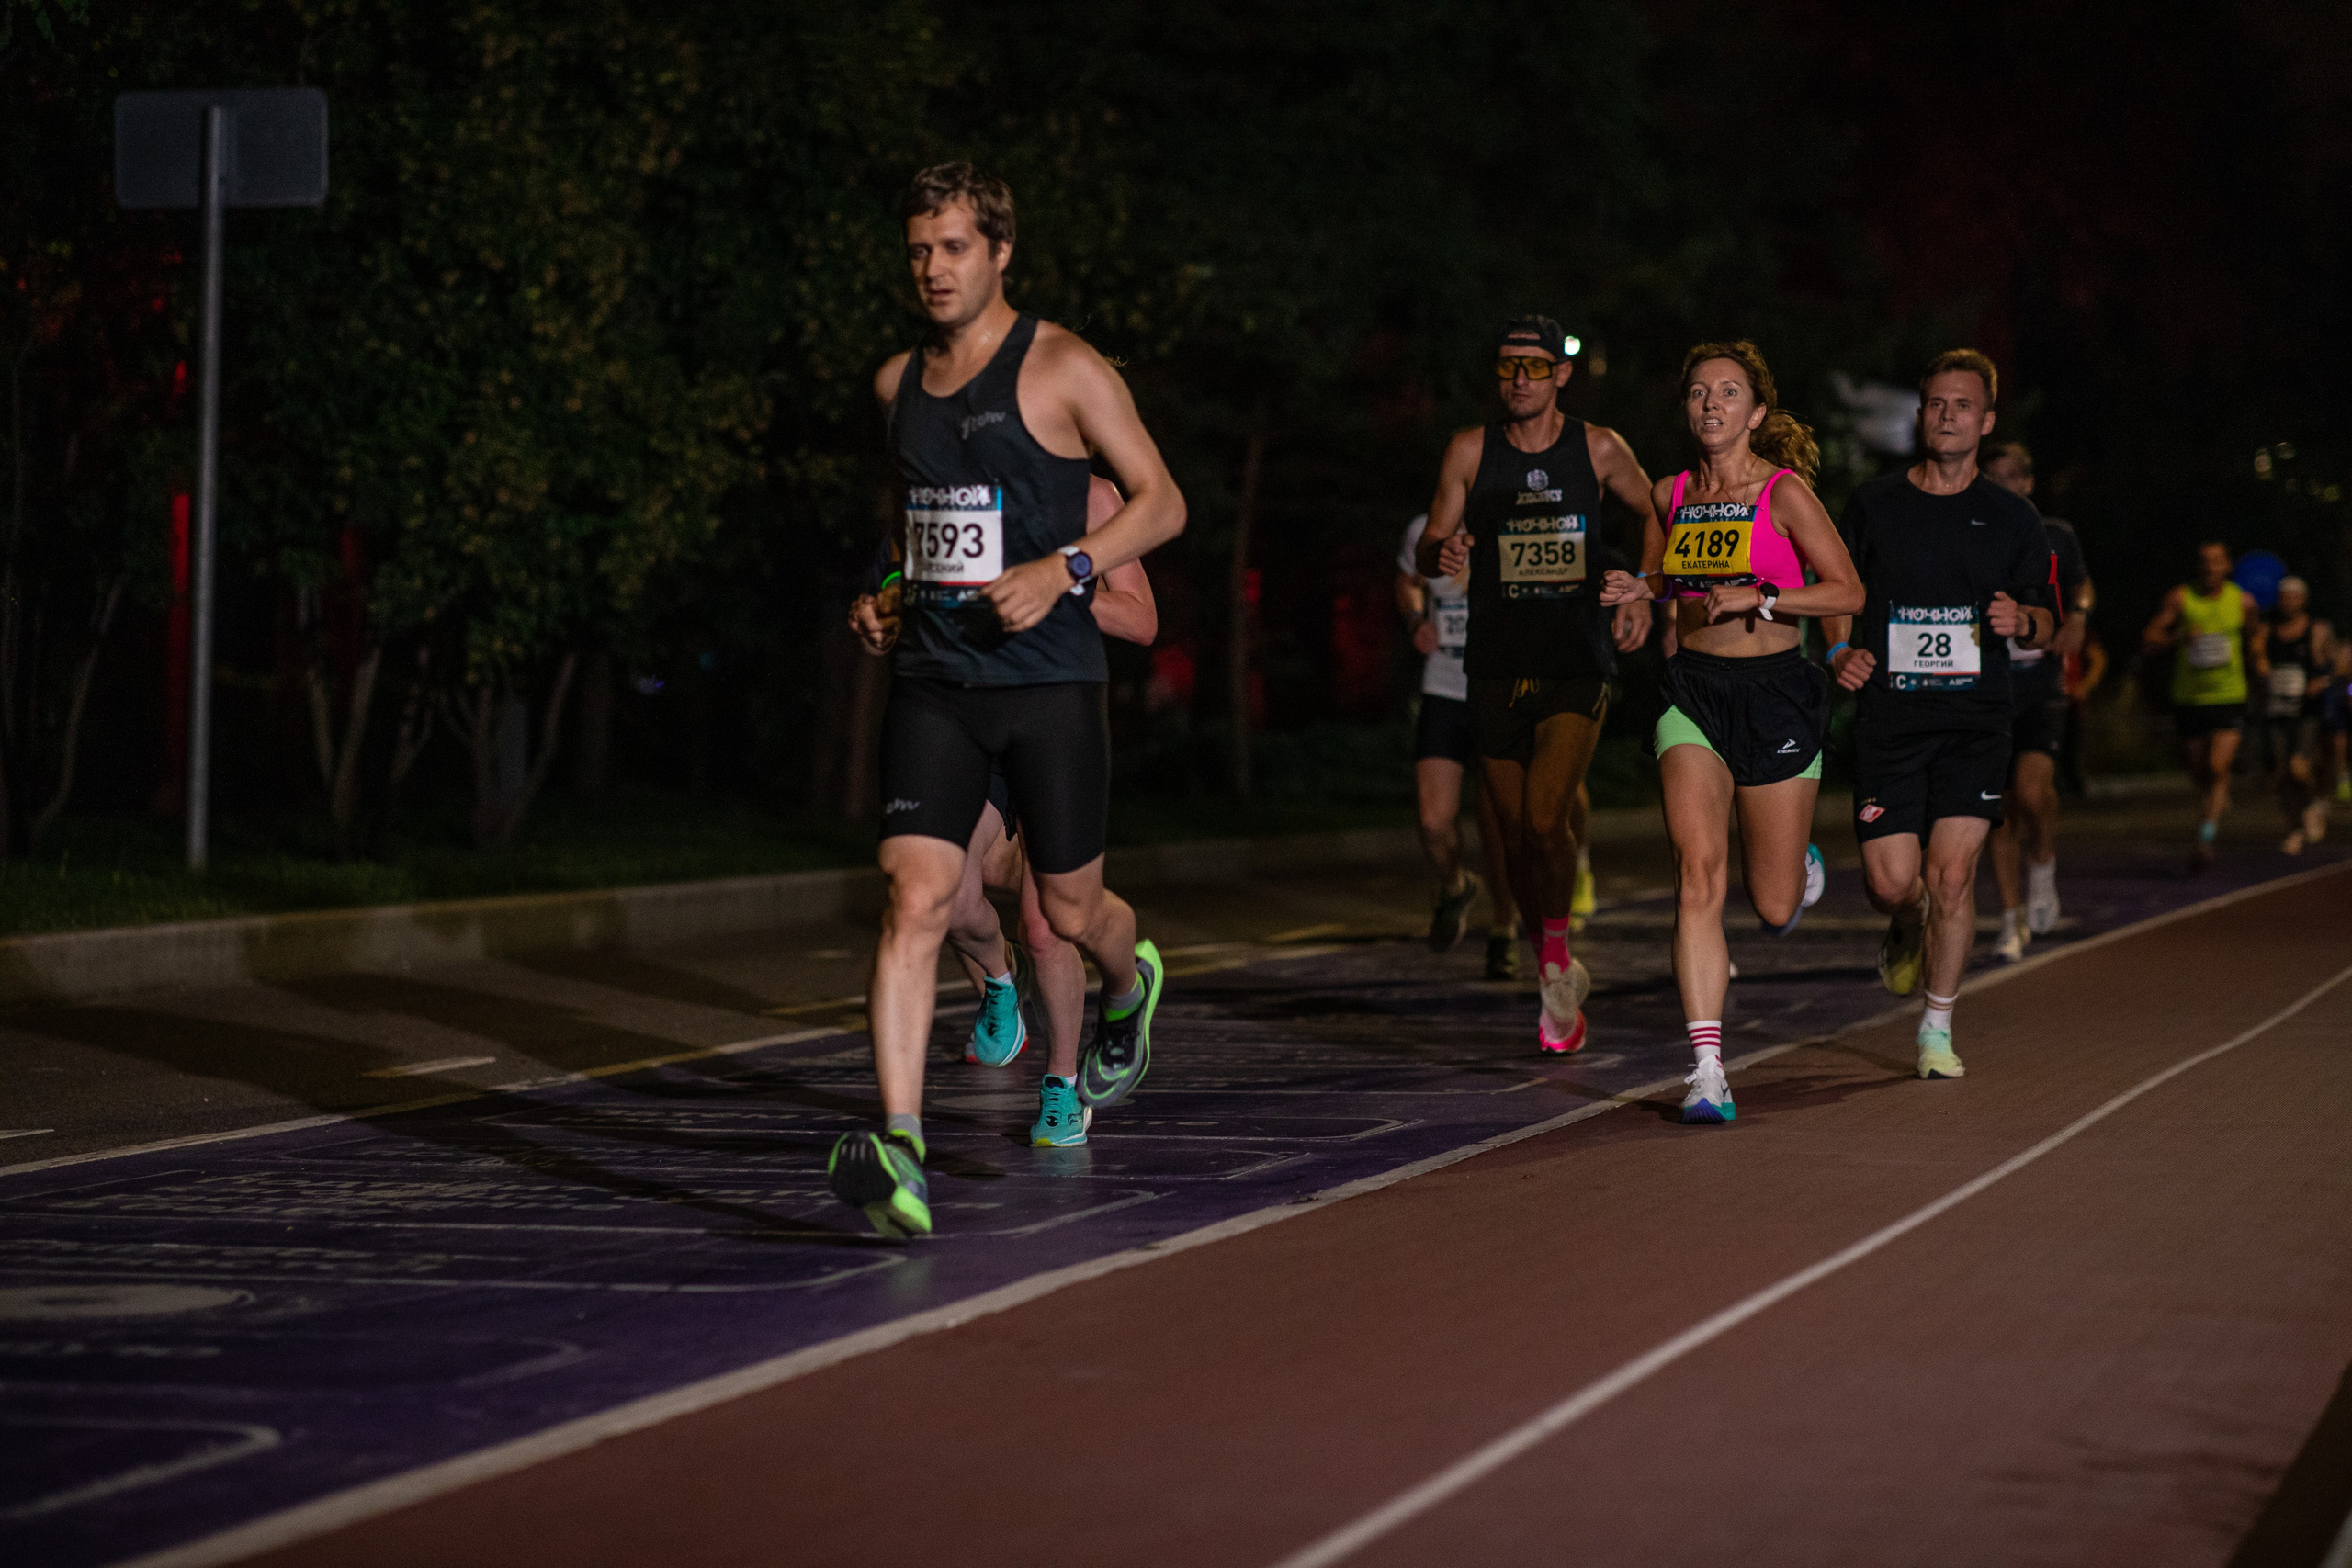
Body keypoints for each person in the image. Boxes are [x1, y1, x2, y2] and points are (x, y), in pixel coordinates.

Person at [831, 162, 1186, 1240]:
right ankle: (900, 1149)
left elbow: (1163, 503)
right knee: (914, 899)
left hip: (1049, 687)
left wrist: (1066, 569)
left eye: (952, 248)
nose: (932, 269)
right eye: (917, 251)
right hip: (937, 687)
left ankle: (1129, 984)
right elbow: (920, 526)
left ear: (999, 252)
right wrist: (882, 600)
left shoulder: (1065, 367)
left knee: (1070, 916)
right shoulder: (896, 385)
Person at [853, 473, 1159, 1147]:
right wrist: (877, 617)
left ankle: (1065, 1081)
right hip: (965, 717)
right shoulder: (947, 486)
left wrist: (1055, 584)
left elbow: (1141, 620)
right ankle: (1000, 982)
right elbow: (892, 594)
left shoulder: (1092, 497)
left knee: (1050, 924)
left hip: (1056, 712)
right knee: (947, 897)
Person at [1600, 342, 1862, 1124]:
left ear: (1756, 413)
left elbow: (1847, 588)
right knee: (1698, 873)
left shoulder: (1784, 493)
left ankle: (1797, 862)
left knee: (1773, 906)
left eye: (1728, 392)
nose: (1711, 403)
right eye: (1698, 392)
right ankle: (1707, 1070)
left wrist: (1766, 598)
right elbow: (1662, 577)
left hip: (1776, 693)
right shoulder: (1670, 492)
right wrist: (1637, 590)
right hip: (1694, 695)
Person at [1417, 316, 1657, 1054]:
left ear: (1561, 375)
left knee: (1547, 820)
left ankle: (1553, 957)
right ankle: (1551, 955)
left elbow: (1658, 510)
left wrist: (1644, 588)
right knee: (1517, 837)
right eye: (1507, 367)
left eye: (1534, 367)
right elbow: (1429, 545)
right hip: (1493, 663)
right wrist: (1442, 551)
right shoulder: (1469, 449)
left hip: (1575, 659)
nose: (1519, 379)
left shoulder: (1599, 448)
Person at [1819, 349, 2059, 1080]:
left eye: (1963, 406)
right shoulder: (1875, 504)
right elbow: (1835, 590)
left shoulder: (2013, 516)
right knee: (1893, 882)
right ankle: (1906, 918)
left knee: (1952, 877)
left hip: (1975, 722)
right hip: (1891, 720)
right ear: (1921, 414)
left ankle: (1935, 1028)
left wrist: (2024, 620)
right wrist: (1838, 650)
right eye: (1936, 403)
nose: (1947, 416)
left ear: (1986, 421)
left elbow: (2047, 620)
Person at [1396, 513, 1523, 976]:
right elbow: (1408, 581)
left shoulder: (1514, 523)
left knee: (1498, 824)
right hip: (1444, 688)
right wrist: (1416, 619)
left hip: (1500, 692)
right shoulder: (1424, 530)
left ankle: (1504, 929)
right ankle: (1455, 886)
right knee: (1433, 821)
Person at [1979, 441, 2091, 961]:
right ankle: (2010, 918)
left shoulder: (2055, 534)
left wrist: (2078, 617)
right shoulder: (1972, 534)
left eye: (2011, 478)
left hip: (2041, 683)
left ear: (2028, 483)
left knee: (2030, 791)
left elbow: (2081, 584)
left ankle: (2043, 862)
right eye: (1992, 478)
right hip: (1989, 686)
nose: (2002, 488)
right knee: (1998, 809)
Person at [2140, 542, 2267, 870]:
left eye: (2217, 561)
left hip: (2229, 695)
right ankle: (2218, 796)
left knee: (2216, 766)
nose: (2210, 567)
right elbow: (2150, 638)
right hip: (2189, 698)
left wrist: (2260, 664)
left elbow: (2254, 638)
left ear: (2228, 566)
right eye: (2204, 561)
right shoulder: (2181, 598)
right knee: (2200, 770)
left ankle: (2205, 839)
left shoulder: (2243, 601)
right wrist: (2178, 637)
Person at [2258, 576, 2334, 853]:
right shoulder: (2268, 631)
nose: (2287, 602)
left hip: (2306, 712)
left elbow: (2338, 665)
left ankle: (2313, 802)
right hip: (2277, 711)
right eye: (2283, 597)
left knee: (2298, 768)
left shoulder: (2318, 630)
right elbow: (2257, 660)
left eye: (2293, 597)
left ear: (2303, 600)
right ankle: (2294, 827)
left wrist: (2321, 681)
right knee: (2279, 775)